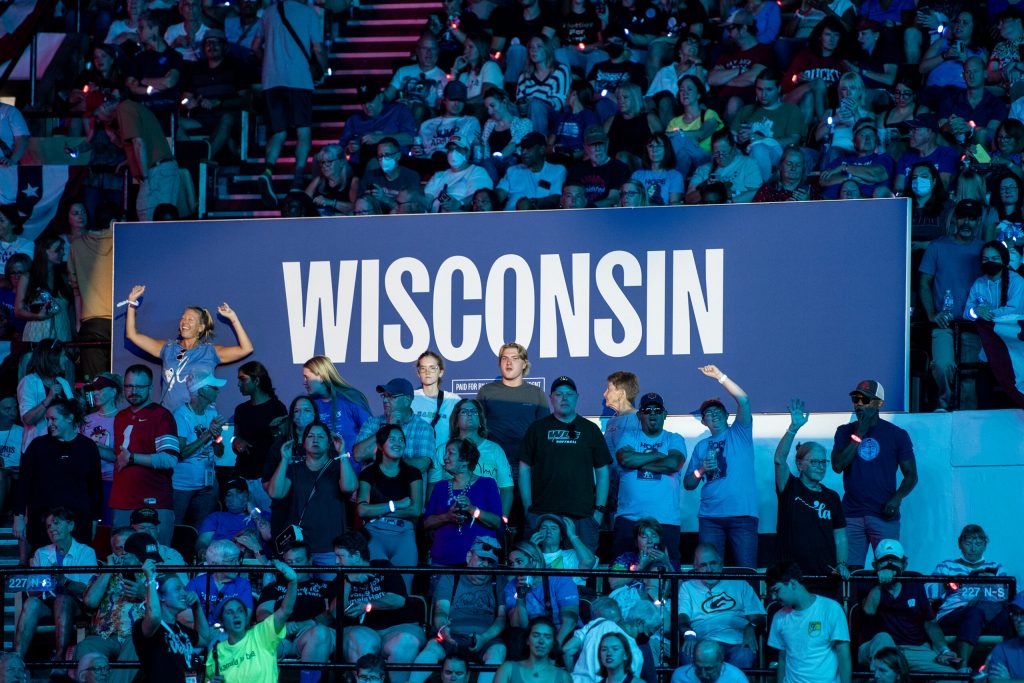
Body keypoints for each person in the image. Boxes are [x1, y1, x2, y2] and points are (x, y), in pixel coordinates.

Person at [124, 285, 254, 412]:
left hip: (199, 420)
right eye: (183, 318)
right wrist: (131, 303)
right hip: (170, 419)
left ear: (201, 327)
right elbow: (132, 335)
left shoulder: (209, 352)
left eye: (190, 319)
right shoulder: (168, 348)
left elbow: (246, 348)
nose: (185, 322)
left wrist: (233, 318)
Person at [831, 379, 917, 567]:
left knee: (889, 569)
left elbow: (911, 474)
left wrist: (897, 498)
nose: (859, 403)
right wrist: (859, 435)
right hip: (852, 514)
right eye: (855, 399)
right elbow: (837, 466)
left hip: (883, 514)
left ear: (879, 404)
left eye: (865, 399)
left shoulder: (897, 434)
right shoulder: (845, 432)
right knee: (850, 573)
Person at [519, 375, 611, 550]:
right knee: (540, 573)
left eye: (569, 394)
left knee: (580, 574)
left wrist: (598, 512)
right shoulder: (537, 429)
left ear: (577, 397)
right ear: (551, 397)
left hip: (582, 517)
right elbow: (524, 470)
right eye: (559, 394)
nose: (564, 398)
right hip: (542, 515)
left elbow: (602, 471)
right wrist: (528, 509)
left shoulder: (590, 429)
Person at [681, 366, 757, 568]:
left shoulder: (739, 433)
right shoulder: (700, 446)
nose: (712, 415)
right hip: (710, 518)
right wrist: (701, 470)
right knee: (709, 573)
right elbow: (688, 484)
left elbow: (744, 400)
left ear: (727, 416)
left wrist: (720, 377)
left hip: (742, 515)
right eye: (707, 413)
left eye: (717, 411)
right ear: (704, 422)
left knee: (747, 572)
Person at [255, 0, 326, 205]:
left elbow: (255, 47)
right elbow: (318, 48)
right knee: (303, 131)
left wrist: (268, 63)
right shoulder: (309, 13)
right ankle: (296, 181)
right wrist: (323, 69)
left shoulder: (268, 13)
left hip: (271, 80)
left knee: (279, 132)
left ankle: (267, 171)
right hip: (299, 79)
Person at [11, 399, 103, 553]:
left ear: (69, 418)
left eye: (54, 419)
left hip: (77, 520)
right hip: (42, 520)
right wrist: (18, 516)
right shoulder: (38, 445)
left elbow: (95, 487)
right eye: (47, 420)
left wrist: (94, 520)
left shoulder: (87, 447)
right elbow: (24, 483)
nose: (49, 424)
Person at [919, 199, 985, 411]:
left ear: (978, 221)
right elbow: (924, 282)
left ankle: (967, 417)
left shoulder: (983, 249)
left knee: (969, 374)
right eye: (963, 217)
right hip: (945, 322)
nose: (967, 222)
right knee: (943, 365)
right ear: (955, 219)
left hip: (973, 325)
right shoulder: (938, 246)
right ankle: (944, 404)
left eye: (972, 218)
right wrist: (931, 313)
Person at [772, 399, 849, 582]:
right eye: (814, 461)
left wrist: (842, 564)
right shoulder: (790, 487)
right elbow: (779, 460)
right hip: (792, 578)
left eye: (823, 462)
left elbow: (840, 537)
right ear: (800, 465)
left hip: (826, 576)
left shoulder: (832, 497)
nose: (821, 467)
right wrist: (793, 428)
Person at [334, 530, 426, 682]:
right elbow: (334, 613)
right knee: (360, 639)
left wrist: (367, 605)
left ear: (356, 556)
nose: (336, 562)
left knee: (406, 642)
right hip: (363, 630)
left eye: (340, 556)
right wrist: (348, 582)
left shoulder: (383, 567)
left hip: (398, 627)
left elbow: (399, 600)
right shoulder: (340, 576)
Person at [411, 538, 507, 683]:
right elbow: (441, 610)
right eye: (482, 558)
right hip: (452, 635)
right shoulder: (452, 576)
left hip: (485, 637)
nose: (486, 564)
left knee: (498, 650)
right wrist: (443, 628)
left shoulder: (498, 580)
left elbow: (501, 618)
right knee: (432, 648)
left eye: (490, 561)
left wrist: (484, 638)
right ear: (469, 557)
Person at [856, 539, 959, 673]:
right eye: (885, 561)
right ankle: (884, 673)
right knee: (883, 638)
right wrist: (881, 584)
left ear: (904, 565)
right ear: (876, 565)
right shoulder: (868, 583)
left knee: (951, 676)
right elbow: (869, 611)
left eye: (894, 560)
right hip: (879, 648)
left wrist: (944, 650)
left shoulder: (914, 585)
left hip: (914, 649)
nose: (890, 564)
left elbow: (930, 623)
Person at [267, 421, 357, 569]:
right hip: (298, 548)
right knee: (298, 589)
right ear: (304, 442)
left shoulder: (338, 467)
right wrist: (284, 459)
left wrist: (342, 453)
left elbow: (349, 487)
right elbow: (275, 493)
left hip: (329, 545)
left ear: (329, 443)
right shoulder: (294, 469)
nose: (315, 440)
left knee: (329, 590)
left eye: (321, 437)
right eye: (311, 436)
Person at [14, 507, 98, 661]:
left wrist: (62, 579)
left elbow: (87, 590)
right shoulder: (41, 553)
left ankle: (59, 660)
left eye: (56, 523)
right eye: (48, 526)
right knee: (32, 602)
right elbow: (33, 589)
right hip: (48, 603)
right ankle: (17, 659)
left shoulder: (86, 552)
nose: (51, 528)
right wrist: (35, 588)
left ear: (70, 526)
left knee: (62, 600)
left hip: (76, 605)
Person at [109, 364, 181, 545]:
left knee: (157, 557)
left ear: (150, 388)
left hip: (154, 501)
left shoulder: (162, 416)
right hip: (123, 500)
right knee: (122, 558)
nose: (133, 391)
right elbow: (119, 457)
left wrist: (133, 457)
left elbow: (170, 459)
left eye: (139, 387)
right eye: (128, 386)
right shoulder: (120, 417)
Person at [85, 93, 184, 222]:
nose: (98, 120)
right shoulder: (129, 109)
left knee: (152, 222)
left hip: (155, 173)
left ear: (104, 107)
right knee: (153, 221)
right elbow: (144, 144)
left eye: (97, 115)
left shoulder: (124, 109)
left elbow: (138, 143)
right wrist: (128, 160)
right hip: (158, 171)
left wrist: (145, 177)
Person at [612, 391, 686, 563]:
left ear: (665, 414)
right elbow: (625, 458)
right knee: (621, 575)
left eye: (657, 410)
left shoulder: (674, 438)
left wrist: (639, 462)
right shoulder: (628, 436)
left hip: (665, 521)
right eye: (647, 410)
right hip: (629, 520)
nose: (653, 413)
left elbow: (673, 464)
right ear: (639, 415)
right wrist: (659, 455)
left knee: (666, 578)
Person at [929, 525, 1011, 666]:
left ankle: (1010, 666)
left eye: (978, 544)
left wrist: (992, 582)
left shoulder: (996, 567)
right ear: (960, 544)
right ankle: (963, 667)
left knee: (1010, 613)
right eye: (968, 544)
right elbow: (928, 592)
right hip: (955, 614)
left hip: (988, 614)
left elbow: (1008, 594)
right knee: (974, 612)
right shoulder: (947, 566)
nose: (973, 548)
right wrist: (950, 583)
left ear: (985, 545)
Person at [475, 342, 548, 500]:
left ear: (524, 364)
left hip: (527, 465)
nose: (509, 362)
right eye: (504, 358)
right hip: (492, 464)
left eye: (515, 358)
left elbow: (544, 433)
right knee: (494, 514)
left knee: (526, 516)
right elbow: (476, 429)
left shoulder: (536, 394)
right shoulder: (486, 391)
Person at [206, 560, 298, 683]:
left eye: (240, 611)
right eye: (230, 612)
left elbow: (285, 610)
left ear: (246, 616)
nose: (236, 615)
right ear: (222, 620)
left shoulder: (261, 634)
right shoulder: (216, 651)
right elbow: (208, 680)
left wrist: (292, 582)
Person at [255, 541, 334, 681]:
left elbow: (331, 615)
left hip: (310, 633)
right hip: (280, 635)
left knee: (320, 633)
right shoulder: (274, 588)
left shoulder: (324, 587)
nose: (294, 566)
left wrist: (305, 624)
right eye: (289, 562)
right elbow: (262, 614)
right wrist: (281, 625)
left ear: (310, 561)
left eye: (298, 560)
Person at [678, 544, 765, 668]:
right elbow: (683, 618)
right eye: (703, 565)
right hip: (702, 643)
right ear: (695, 568)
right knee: (687, 653)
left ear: (721, 564)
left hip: (737, 642)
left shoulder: (740, 584)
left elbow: (759, 618)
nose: (709, 569)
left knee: (744, 656)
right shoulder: (687, 587)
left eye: (713, 563)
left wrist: (751, 627)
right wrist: (688, 633)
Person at [356, 424, 423, 582]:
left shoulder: (413, 473)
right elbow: (362, 510)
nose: (398, 443)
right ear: (380, 445)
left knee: (403, 590)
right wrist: (396, 505)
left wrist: (377, 509)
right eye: (392, 439)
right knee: (374, 589)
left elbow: (415, 510)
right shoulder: (368, 473)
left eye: (401, 439)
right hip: (374, 534)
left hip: (403, 535)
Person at [766, 561, 851, 683]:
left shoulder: (831, 609)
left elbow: (843, 653)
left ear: (792, 584)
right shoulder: (779, 617)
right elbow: (782, 657)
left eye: (776, 590)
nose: (774, 597)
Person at [424, 437, 502, 566]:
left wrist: (472, 509)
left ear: (465, 460)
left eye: (450, 453)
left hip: (477, 562)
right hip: (442, 560)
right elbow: (426, 523)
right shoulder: (440, 486)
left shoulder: (487, 484)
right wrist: (446, 517)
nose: (444, 457)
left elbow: (496, 522)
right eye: (445, 452)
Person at [429, 399, 513, 517]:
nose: (469, 414)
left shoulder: (495, 450)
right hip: (449, 517)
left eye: (474, 412)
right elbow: (433, 488)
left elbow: (506, 489)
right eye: (464, 412)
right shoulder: (443, 450)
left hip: (487, 519)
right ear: (456, 421)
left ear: (480, 421)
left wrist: (501, 523)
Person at [134, 558, 214, 681]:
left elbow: (204, 639)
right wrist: (151, 580)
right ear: (161, 597)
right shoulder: (146, 626)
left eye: (183, 589)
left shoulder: (179, 628)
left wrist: (196, 607)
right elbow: (155, 616)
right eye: (177, 589)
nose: (184, 593)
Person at [173, 369, 228, 528]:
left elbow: (220, 451)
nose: (217, 391)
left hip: (207, 485)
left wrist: (217, 437)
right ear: (202, 390)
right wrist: (208, 434)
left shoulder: (212, 412)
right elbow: (181, 453)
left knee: (203, 528)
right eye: (214, 387)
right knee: (178, 529)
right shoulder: (180, 415)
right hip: (183, 486)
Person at [231, 361, 286, 509]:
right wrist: (235, 441)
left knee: (268, 525)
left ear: (256, 380)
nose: (238, 384)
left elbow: (282, 443)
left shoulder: (277, 408)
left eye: (243, 379)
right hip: (242, 476)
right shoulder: (241, 410)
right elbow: (235, 436)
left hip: (265, 478)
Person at [505, 542, 580, 651]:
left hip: (562, 632)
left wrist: (555, 645)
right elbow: (519, 626)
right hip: (534, 636)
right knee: (515, 637)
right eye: (512, 563)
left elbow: (570, 620)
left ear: (534, 561)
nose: (514, 567)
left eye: (519, 562)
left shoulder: (560, 578)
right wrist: (520, 596)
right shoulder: (511, 586)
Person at [733, 69, 806, 181]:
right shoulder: (747, 110)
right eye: (759, 89)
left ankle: (763, 189)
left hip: (778, 155)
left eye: (769, 89)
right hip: (746, 155)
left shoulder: (790, 110)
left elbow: (794, 139)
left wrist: (763, 140)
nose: (763, 94)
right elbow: (731, 135)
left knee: (759, 148)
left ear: (779, 89)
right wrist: (738, 138)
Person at [68, 201, 113, 378]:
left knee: (96, 385)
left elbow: (75, 288)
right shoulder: (124, 240)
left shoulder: (76, 246)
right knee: (124, 385)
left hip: (92, 323)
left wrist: (79, 323)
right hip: (123, 322)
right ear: (114, 221)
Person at [353, 378, 435, 472]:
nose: (385, 400)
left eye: (391, 396)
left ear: (407, 400)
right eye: (384, 396)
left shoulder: (423, 428)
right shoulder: (372, 422)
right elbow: (358, 455)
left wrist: (385, 462)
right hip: (375, 486)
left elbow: (422, 465)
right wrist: (387, 428)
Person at [301, 355, 371, 456]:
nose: (304, 382)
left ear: (321, 377)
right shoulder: (310, 404)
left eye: (307, 377)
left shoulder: (350, 399)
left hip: (353, 468)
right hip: (325, 469)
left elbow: (372, 431)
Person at [16, 338, 73, 451]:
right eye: (63, 356)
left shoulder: (63, 382)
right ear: (53, 358)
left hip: (63, 446)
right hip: (38, 449)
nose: (66, 359)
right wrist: (49, 399)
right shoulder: (29, 382)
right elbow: (28, 419)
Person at [14, 235, 73, 343]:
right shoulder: (28, 277)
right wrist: (37, 316)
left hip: (63, 334)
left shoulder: (64, 277)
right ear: (44, 251)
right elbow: (18, 311)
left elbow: (70, 311)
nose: (63, 253)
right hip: (37, 335)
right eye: (58, 250)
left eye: (62, 249)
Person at [684, 131, 763, 205]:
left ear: (733, 149)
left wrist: (728, 199)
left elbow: (757, 193)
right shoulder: (703, 170)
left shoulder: (748, 163)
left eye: (724, 152)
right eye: (716, 153)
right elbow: (688, 200)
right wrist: (705, 187)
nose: (720, 157)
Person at [497, 131, 566, 209]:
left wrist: (531, 203)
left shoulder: (557, 170)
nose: (524, 152)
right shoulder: (513, 170)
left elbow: (556, 198)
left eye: (529, 148)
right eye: (522, 149)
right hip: (507, 218)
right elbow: (497, 197)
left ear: (542, 150)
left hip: (536, 218)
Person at [412, 350, 462, 455]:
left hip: (443, 460)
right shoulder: (411, 398)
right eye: (423, 368)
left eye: (432, 368)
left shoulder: (453, 400)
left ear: (441, 372)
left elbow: (462, 433)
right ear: (418, 373)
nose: (427, 372)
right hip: (415, 457)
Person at [493, 617, 573, 683]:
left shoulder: (564, 677)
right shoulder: (507, 669)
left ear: (553, 643)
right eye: (536, 635)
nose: (541, 641)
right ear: (527, 640)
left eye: (547, 637)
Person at [567, 126, 631, 208]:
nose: (598, 149)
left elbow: (613, 198)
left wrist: (588, 209)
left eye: (600, 143)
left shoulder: (620, 168)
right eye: (593, 145)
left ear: (607, 143)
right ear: (585, 147)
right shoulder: (576, 170)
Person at [530, 513, 596, 588]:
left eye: (553, 528)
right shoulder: (531, 555)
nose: (548, 531)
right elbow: (524, 580)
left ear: (561, 536)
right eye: (544, 528)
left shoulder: (572, 555)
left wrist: (572, 536)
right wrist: (531, 549)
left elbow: (589, 562)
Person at [305, 145, 355, 216]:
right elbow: (303, 201)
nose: (324, 166)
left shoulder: (353, 181)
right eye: (322, 162)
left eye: (329, 162)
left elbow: (355, 208)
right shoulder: (318, 181)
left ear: (341, 162)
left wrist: (331, 203)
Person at [671, 639, 749, 683]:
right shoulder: (680, 676)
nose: (703, 674)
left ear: (721, 661)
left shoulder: (737, 678)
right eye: (698, 667)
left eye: (709, 669)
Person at [985, 594, 1024, 681]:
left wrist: (1009, 681)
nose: (1018, 619)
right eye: (1015, 613)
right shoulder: (1002, 649)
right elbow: (995, 680)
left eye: (1023, 613)